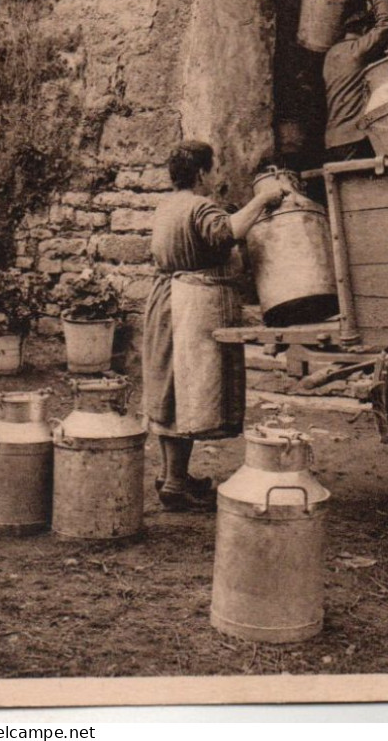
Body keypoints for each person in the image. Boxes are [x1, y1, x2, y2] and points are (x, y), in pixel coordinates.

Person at [142, 140, 285, 513]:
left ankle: (174, 474)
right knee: (186, 390)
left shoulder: (167, 205)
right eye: (214, 168)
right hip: (191, 306)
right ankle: (175, 481)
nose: (216, 175)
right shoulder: (199, 205)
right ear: (203, 172)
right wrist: (264, 199)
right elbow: (225, 233)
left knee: (170, 391)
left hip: (165, 300)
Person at [323, 0, 388, 163]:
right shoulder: (359, 50)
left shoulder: (331, 55)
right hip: (355, 138)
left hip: (333, 139)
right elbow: (387, 21)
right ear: (365, 29)